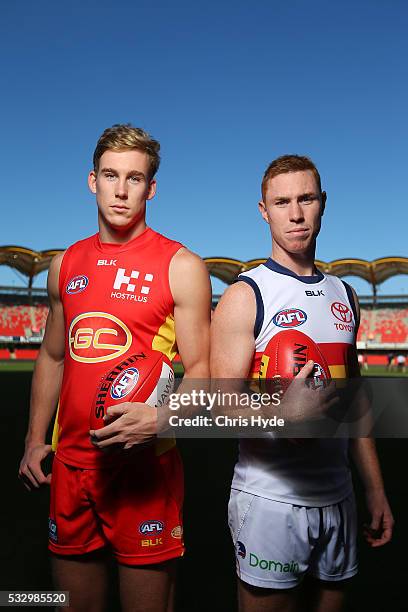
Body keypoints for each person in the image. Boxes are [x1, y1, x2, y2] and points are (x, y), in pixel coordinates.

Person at [19, 124, 211, 612]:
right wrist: (34, 439)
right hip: (71, 466)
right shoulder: (65, 264)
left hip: (143, 470)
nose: (122, 190)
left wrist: (165, 419)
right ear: (92, 181)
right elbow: (54, 355)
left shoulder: (180, 265)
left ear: (152, 187)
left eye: (135, 178)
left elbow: (205, 369)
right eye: (111, 175)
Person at [211, 155, 393, 612]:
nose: (295, 214)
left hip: (340, 495)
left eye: (306, 199)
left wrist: (374, 488)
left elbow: (356, 401)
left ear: (323, 203)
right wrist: (281, 414)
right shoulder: (244, 294)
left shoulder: (345, 294)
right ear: (263, 210)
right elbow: (215, 406)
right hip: (270, 499)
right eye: (282, 202)